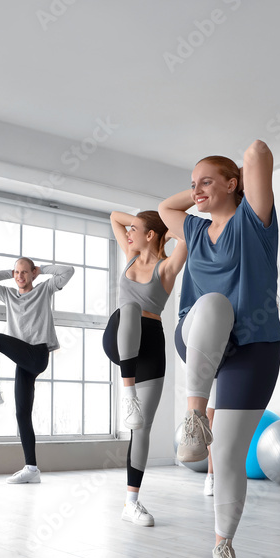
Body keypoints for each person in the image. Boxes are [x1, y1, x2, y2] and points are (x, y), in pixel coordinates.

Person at [158, 140, 280, 558]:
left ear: (235, 184)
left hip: (254, 347)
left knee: (228, 454)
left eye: (207, 181)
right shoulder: (193, 231)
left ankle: (223, 548)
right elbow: (162, 206)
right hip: (201, 336)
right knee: (212, 303)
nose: (195, 191)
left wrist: (236, 182)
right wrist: (201, 189)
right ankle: (195, 416)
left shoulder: (255, 222)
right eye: (192, 185)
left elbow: (258, 153)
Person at [103, 210, 187, 525]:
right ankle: (128, 394)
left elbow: (187, 236)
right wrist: (146, 221)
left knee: (141, 430)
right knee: (131, 307)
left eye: (134, 230)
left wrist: (164, 227)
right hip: (119, 336)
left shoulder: (166, 267)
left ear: (150, 235)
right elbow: (114, 217)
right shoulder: (129, 255)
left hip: (151, 345)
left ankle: (131, 503)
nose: (127, 233)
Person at [0, 257, 74, 483]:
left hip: (37, 354)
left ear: (33, 274)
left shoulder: (44, 290)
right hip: (23, 361)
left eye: (25, 272)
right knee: (22, 413)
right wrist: (11, 271)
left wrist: (40, 270)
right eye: (17, 272)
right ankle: (32, 469)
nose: (20, 277)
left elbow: (68, 271)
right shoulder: (8, 295)